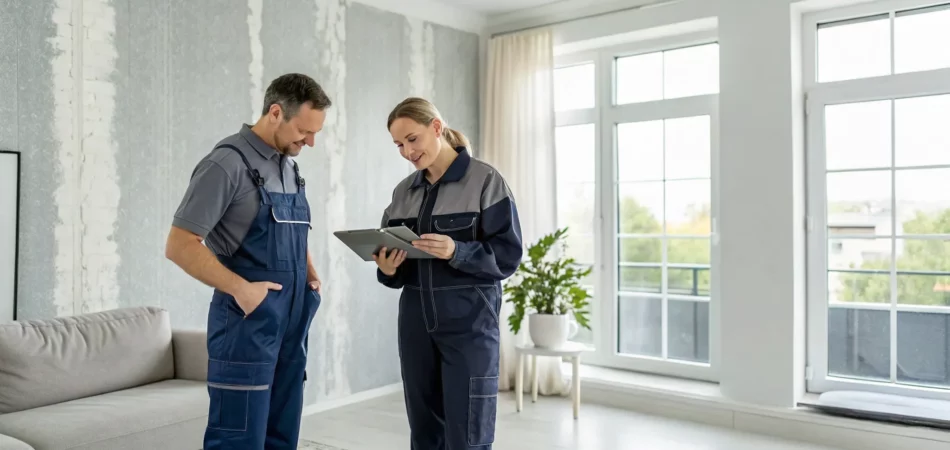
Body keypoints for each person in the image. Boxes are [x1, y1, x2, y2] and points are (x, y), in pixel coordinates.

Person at [164, 73, 331, 449]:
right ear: (276, 112)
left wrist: (310, 271)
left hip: (291, 322)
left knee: (281, 436)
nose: (311, 142)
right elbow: (179, 244)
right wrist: (241, 289)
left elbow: (294, 228)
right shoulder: (226, 164)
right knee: (239, 440)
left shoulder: (289, 166)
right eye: (304, 131)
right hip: (246, 322)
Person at [374, 97, 524, 449]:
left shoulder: (485, 181)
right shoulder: (403, 193)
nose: (407, 152)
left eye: (413, 139)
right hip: (415, 323)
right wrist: (388, 268)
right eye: (399, 144)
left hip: (469, 324)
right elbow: (391, 262)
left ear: (436, 128)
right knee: (425, 431)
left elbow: (508, 256)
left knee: (469, 432)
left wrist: (458, 251)